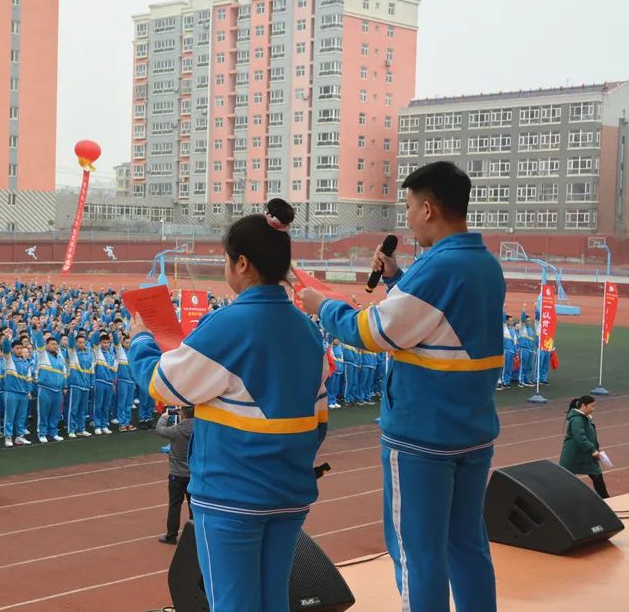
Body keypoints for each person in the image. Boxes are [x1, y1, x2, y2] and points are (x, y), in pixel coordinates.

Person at [300, 161, 504, 612]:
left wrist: (323, 305)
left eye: (410, 208)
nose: (408, 219)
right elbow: (437, 322)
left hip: (423, 436)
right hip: (472, 430)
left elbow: (374, 333)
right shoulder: (483, 264)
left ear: (428, 208)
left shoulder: (439, 268)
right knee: (467, 543)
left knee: (418, 553)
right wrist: (396, 278)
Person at [129, 198, 327, 612]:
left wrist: (140, 340)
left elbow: (161, 384)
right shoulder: (307, 330)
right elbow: (319, 418)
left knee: (233, 603)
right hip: (289, 491)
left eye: (226, 258)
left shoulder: (229, 323)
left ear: (241, 264)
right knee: (274, 600)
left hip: (233, 495)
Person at [156, 405, 195, 545]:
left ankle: (171, 536)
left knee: (174, 505)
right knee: (193, 506)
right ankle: (195, 535)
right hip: (193, 474)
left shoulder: (176, 430)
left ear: (182, 414)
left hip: (176, 474)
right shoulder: (198, 429)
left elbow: (159, 430)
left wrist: (164, 416)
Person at [559, 395, 609, 498]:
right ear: (583, 405)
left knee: (597, 475)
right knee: (565, 479)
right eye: (592, 406)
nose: (593, 409)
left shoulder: (584, 417)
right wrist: (593, 450)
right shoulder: (577, 420)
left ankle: (607, 499)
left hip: (584, 455)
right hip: (574, 455)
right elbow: (580, 438)